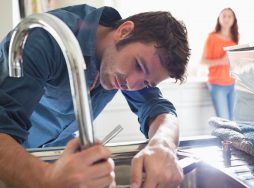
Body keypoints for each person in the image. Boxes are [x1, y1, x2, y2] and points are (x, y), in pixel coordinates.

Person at [0, 4, 190, 188]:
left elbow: (159, 109)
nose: (131, 84)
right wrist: (46, 180)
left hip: (52, 154)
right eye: (138, 65)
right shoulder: (44, 39)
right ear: (124, 31)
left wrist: (163, 144)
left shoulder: (123, 63)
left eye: (146, 82)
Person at [200, 7, 239, 120]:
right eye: (224, 16)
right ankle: (225, 139)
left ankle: (231, 139)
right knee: (224, 120)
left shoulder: (236, 38)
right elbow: (203, 61)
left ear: (234, 19)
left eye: (229, 16)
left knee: (232, 119)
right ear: (219, 19)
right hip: (217, 84)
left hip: (232, 83)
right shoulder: (211, 38)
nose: (226, 18)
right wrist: (221, 61)